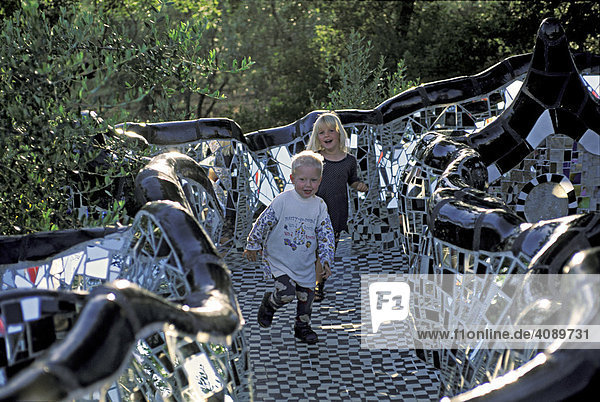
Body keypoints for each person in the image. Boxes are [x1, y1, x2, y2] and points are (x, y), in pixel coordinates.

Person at [243, 150, 336, 344]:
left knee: (306, 296)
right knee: (286, 294)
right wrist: (252, 244)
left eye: (313, 180)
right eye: (302, 180)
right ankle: (269, 304)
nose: (308, 185)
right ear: (292, 178)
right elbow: (263, 222)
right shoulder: (283, 201)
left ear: (320, 180)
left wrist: (326, 259)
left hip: (305, 262)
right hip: (280, 259)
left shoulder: (319, 206)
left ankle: (302, 327)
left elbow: (326, 234)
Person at [306, 112, 368, 301]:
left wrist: (359, 185)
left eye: (331, 131)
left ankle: (318, 285)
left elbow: (352, 179)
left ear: (339, 133)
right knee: (312, 249)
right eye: (322, 132)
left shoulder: (349, 160)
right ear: (317, 137)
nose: (327, 135)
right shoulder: (315, 158)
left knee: (326, 251)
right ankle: (310, 282)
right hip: (313, 211)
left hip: (336, 212)